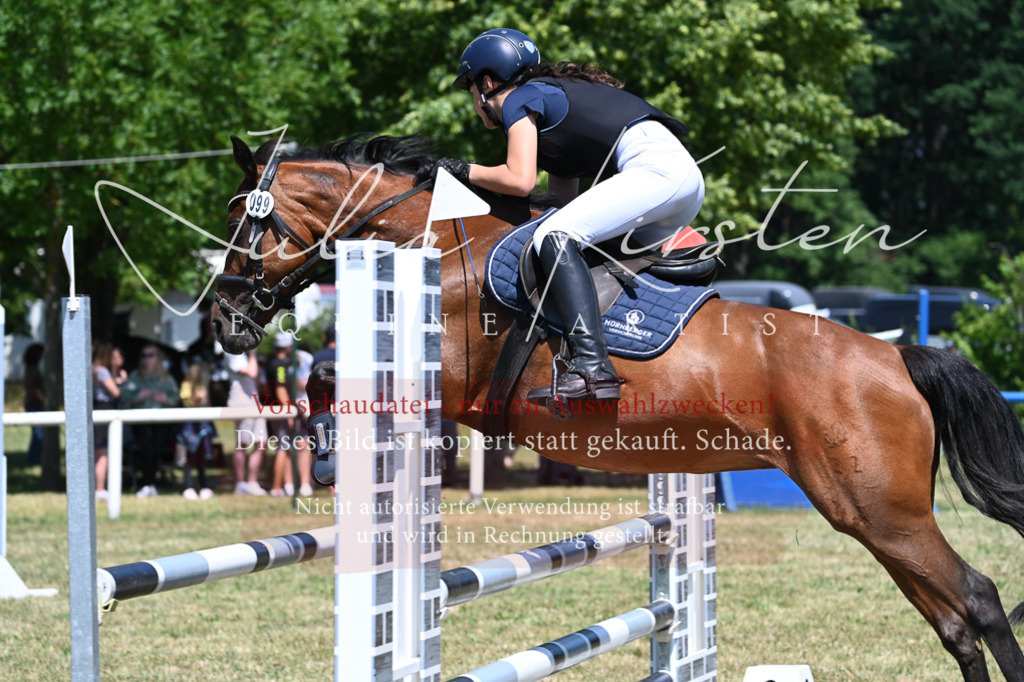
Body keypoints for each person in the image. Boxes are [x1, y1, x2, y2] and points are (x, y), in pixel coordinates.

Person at [440, 28, 705, 404]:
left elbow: (519, 179)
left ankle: (592, 369)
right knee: (574, 245)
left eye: (470, 92)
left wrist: (462, 170)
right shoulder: (552, 114)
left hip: (656, 172)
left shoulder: (519, 98)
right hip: (684, 183)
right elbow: (558, 204)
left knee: (553, 238)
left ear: (486, 83)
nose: (473, 102)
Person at [119, 344, 180, 497]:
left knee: (156, 450)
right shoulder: (135, 377)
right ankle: (147, 483)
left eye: (150, 355)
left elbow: (175, 399)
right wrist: (140, 396)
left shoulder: (166, 378)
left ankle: (153, 482)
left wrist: (165, 399)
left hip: (161, 422)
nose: (147, 358)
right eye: (144, 355)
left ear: (157, 357)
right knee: (145, 450)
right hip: (141, 421)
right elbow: (124, 396)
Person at [267, 334, 313, 497]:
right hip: (284, 411)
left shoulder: (275, 362)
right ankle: (277, 487)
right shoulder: (280, 365)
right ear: (287, 347)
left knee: (289, 447)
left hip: (279, 410)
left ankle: (285, 486)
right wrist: (289, 413)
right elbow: (280, 389)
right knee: (284, 448)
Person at [226, 349, 267, 495]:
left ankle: (252, 482)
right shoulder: (233, 353)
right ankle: (240, 484)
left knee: (261, 442)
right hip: (242, 402)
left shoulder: (245, 355)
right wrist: (253, 354)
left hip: (254, 401)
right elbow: (252, 373)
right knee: (242, 444)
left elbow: (257, 378)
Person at [177, 362, 216, 500]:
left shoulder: (205, 387)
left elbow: (209, 406)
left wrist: (204, 400)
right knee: (187, 459)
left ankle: (204, 486)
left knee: (201, 459)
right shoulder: (186, 385)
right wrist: (196, 399)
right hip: (188, 428)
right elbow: (186, 403)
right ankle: (188, 487)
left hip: (203, 428)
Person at [92, 342, 126, 499]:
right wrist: (121, 382)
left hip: (97, 409)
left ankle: (98, 488)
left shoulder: (92, 369)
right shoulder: (102, 371)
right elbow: (115, 392)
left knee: (99, 451)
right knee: (102, 452)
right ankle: (99, 489)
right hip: (104, 410)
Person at [21, 343, 45, 465]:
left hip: (34, 403)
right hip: (33, 403)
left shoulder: (33, 367)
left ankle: (35, 457)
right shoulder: (31, 368)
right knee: (38, 433)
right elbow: (29, 386)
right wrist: (40, 397)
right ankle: (34, 459)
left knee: (38, 432)